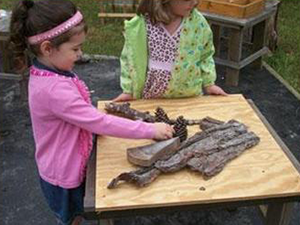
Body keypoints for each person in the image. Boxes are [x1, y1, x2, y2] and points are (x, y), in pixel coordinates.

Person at [9, 1, 174, 224]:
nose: (80, 54)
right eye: (75, 49)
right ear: (48, 48)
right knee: (73, 217)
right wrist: (149, 129)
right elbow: (98, 122)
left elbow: (84, 115)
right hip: (64, 175)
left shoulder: (50, 71)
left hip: (70, 160)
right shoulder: (54, 90)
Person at [114, 0, 227, 102]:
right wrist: (128, 90)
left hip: (188, 97)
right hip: (152, 97)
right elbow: (130, 58)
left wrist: (209, 84)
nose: (195, 2)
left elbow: (205, 55)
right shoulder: (142, 24)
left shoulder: (198, 23)